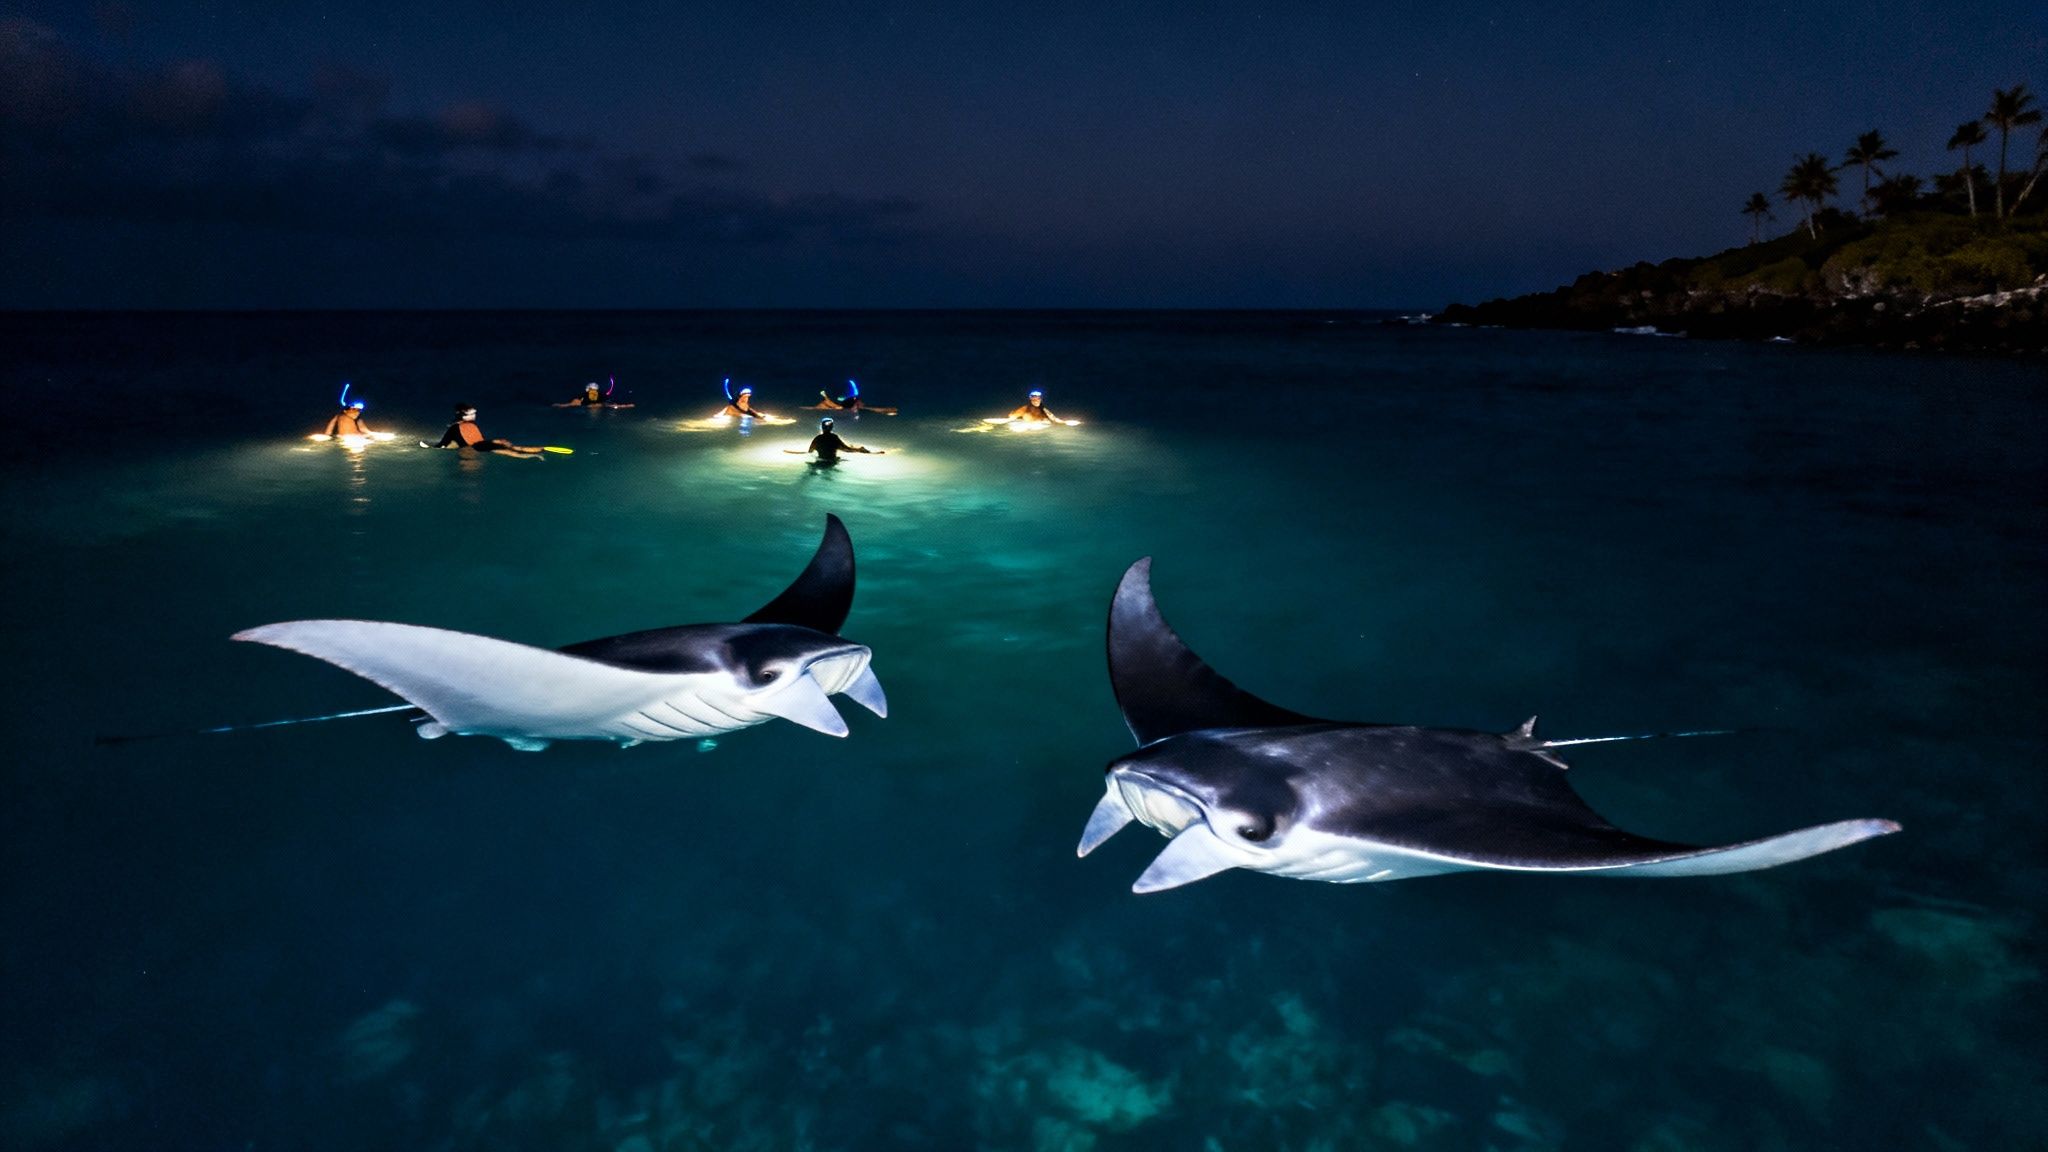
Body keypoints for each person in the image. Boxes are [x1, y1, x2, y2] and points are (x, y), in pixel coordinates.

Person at [424, 404, 545, 457]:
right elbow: (444, 443)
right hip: (483, 444)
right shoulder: (467, 426)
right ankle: (541, 450)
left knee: (513, 452)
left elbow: (443, 444)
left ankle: (536, 455)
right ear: (463, 416)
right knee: (515, 449)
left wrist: (432, 448)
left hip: (480, 447)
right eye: (472, 414)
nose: (474, 415)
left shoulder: (456, 427)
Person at [793, 417, 882, 464]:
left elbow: (810, 452)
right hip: (832, 463)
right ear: (832, 427)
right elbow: (847, 450)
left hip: (819, 462)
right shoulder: (834, 438)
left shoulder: (817, 439)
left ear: (822, 427)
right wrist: (860, 449)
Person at [555, 382, 634, 409]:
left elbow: (575, 401)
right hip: (598, 405)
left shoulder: (584, 393)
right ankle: (627, 406)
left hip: (586, 405)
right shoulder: (601, 394)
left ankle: (559, 405)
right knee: (610, 405)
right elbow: (609, 402)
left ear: (588, 388)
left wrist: (562, 405)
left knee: (574, 403)